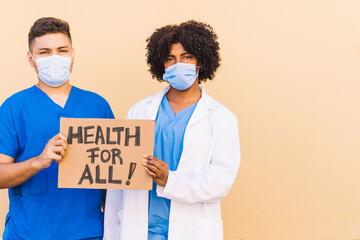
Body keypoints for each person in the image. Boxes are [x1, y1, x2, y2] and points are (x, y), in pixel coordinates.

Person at [104, 20, 240, 240]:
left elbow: (220, 182)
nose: (179, 64)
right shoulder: (140, 110)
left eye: (186, 57)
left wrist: (170, 180)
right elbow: (119, 181)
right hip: (139, 229)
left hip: (190, 230)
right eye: (170, 58)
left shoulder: (222, 118)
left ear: (201, 62)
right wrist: (111, 233)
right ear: (161, 65)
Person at [0, 17, 114, 239]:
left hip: (88, 232)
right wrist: (38, 161)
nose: (55, 58)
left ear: (72, 54)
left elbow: (112, 176)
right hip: (28, 233)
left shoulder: (97, 105)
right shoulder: (14, 107)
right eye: (44, 52)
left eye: (62, 50)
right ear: (31, 59)